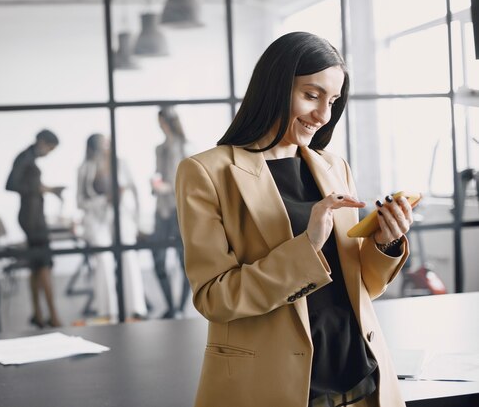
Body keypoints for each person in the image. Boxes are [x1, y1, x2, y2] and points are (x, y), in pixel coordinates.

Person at [175, 32, 414, 407]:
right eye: (311, 95)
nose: (323, 115)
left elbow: (362, 285)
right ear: (274, 87)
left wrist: (385, 243)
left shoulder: (334, 167)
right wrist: (308, 246)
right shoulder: (207, 172)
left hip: (364, 381)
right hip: (275, 389)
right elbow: (214, 298)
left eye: (332, 101)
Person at [77, 133, 147, 322]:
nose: (105, 149)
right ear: (93, 148)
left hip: (122, 216)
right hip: (97, 220)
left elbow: (134, 190)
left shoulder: (121, 163)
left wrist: (137, 220)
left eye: (106, 144)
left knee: (128, 256)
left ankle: (136, 308)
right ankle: (108, 311)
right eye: (101, 146)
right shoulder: (85, 168)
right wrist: (101, 201)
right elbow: (80, 201)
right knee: (104, 259)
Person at [6, 129, 63, 328]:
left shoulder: (29, 159)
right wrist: (38, 189)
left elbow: (30, 184)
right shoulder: (25, 158)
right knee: (44, 265)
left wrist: (48, 189)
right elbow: (11, 184)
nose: (48, 153)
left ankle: (38, 313)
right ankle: (53, 316)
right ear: (42, 142)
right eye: (49, 148)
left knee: (37, 267)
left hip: (33, 216)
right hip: (32, 219)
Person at [151, 106, 192, 318]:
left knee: (184, 260)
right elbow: (159, 175)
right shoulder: (159, 148)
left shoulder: (185, 147)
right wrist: (155, 185)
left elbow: (193, 183)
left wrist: (168, 187)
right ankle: (171, 306)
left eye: (162, 121)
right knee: (157, 258)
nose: (160, 126)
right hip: (162, 210)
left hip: (180, 210)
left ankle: (181, 308)